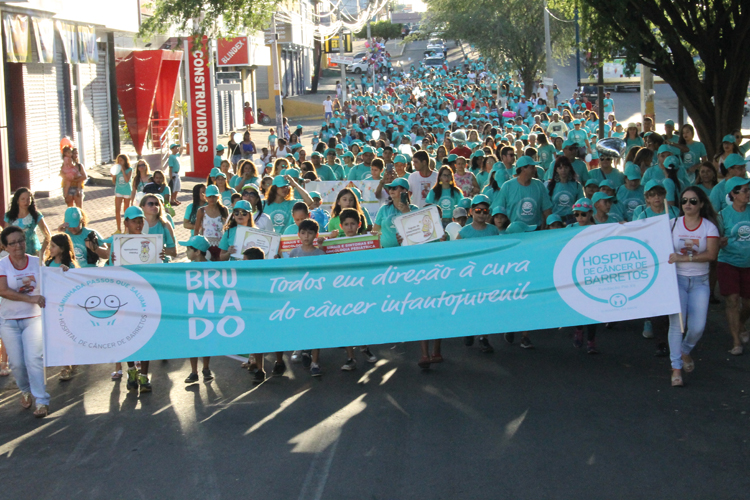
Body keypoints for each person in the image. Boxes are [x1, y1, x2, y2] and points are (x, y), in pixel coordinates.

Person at [0, 226, 58, 417]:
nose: (18, 245)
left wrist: (63, 270)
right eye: (13, 243)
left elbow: (51, 277)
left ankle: (41, 401)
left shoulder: (36, 261)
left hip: (33, 318)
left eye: (21, 240)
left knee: (34, 359)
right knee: (17, 363)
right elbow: (3, 290)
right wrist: (31, 298)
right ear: (5, 247)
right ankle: (25, 390)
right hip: (9, 321)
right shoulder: (2, 264)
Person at [667, 187, 719, 386]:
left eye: (693, 201)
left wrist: (684, 257)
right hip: (677, 280)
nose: (688, 204)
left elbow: (711, 255)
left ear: (702, 204)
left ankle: (684, 350)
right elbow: (649, 236)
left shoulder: (709, 227)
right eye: (684, 201)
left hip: (700, 282)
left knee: (697, 327)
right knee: (676, 324)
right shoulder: (672, 225)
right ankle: (676, 368)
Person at [456, 195, 503, 355]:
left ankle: (483, 337)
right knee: (470, 305)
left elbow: (498, 251)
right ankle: (469, 329)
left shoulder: (493, 230)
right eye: (478, 210)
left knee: (485, 306)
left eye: (485, 211)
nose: (481, 214)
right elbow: (456, 253)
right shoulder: (464, 232)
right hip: (470, 275)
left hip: (487, 274)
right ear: (471, 212)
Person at [716, 177, 750, 355]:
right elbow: (715, 240)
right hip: (728, 262)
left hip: (748, 263)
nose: (748, 193)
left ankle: (741, 322)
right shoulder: (723, 215)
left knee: (748, 304)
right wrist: (719, 242)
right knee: (733, 300)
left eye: (748, 189)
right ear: (733, 194)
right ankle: (736, 340)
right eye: (744, 190)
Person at [179, 235, 215, 383]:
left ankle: (205, 368)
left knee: (206, 340)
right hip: (192, 309)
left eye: (188, 249)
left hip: (206, 309)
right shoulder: (187, 268)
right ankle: (194, 371)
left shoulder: (213, 268)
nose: (186, 252)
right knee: (192, 341)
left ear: (197, 252)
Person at [44, 233, 79, 381]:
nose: (50, 249)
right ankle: (62, 360)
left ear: (62, 248)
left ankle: (66, 365)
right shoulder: (48, 264)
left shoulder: (69, 265)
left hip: (67, 307)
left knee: (66, 334)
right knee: (57, 334)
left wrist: (68, 272)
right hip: (52, 305)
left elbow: (77, 282)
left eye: (53, 246)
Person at [497, 156, 553, 227]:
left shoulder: (539, 185)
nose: (535, 169)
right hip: (514, 232)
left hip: (536, 232)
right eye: (532, 167)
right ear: (523, 168)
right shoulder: (507, 186)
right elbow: (499, 211)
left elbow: (547, 209)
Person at [3, 188, 51, 259]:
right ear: (17, 201)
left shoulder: (36, 215)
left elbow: (47, 235)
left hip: (33, 253)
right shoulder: (9, 216)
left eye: (28, 199)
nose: (26, 202)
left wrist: (41, 251)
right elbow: (4, 236)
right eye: (23, 199)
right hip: (14, 254)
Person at [373, 178, 419, 248]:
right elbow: (375, 232)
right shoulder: (383, 209)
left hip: (408, 250)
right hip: (386, 252)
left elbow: (418, 231)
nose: (391, 190)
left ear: (404, 190)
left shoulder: (414, 209)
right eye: (390, 188)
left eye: (394, 188)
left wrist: (407, 212)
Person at [194, 185, 229, 261]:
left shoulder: (224, 210)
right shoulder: (201, 211)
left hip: (221, 245)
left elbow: (227, 228)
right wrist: (195, 246)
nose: (212, 199)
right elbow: (196, 229)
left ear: (218, 197)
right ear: (205, 197)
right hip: (206, 246)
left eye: (214, 196)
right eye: (209, 197)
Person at [547, 156, 584, 224]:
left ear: (570, 168)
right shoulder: (550, 186)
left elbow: (581, 204)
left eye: (566, 167)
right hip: (556, 221)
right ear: (556, 170)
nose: (563, 170)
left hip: (572, 220)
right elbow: (546, 207)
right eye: (560, 168)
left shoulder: (576, 185)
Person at [112, 154, 133, 233]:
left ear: (125, 161)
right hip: (119, 191)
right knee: (117, 210)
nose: (120, 162)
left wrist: (123, 170)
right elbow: (114, 181)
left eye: (121, 160)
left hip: (127, 191)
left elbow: (127, 180)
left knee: (126, 211)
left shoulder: (130, 169)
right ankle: (118, 229)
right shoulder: (116, 170)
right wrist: (114, 175)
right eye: (119, 160)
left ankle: (126, 229)